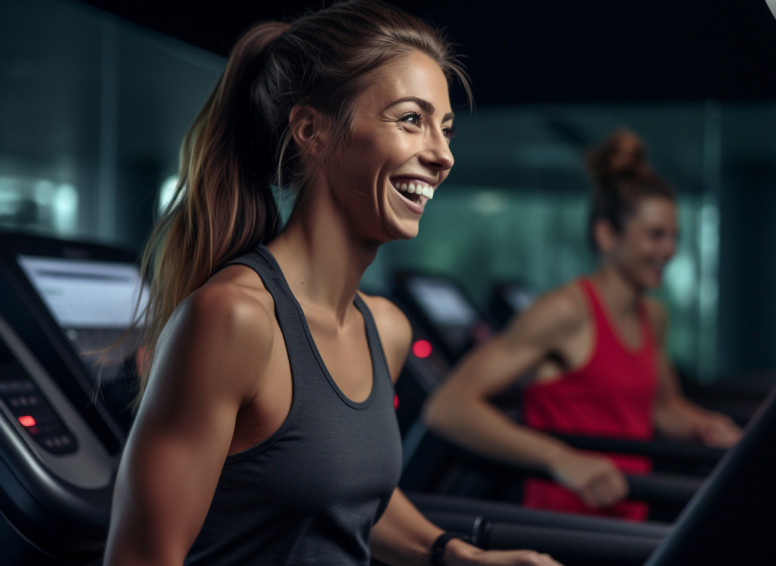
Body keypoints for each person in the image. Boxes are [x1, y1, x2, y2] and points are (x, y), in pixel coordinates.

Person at [102, 2, 562, 565]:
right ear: (312, 131)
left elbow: (349, 489)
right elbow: (141, 556)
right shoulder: (235, 319)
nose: (443, 156)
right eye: (411, 120)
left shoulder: (384, 328)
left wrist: (458, 556)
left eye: (445, 129)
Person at [424, 128, 742, 521]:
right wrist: (559, 457)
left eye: (674, 236)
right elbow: (448, 407)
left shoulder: (653, 316)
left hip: (627, 523)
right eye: (656, 235)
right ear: (607, 235)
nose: (669, 250)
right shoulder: (564, 311)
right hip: (565, 530)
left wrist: (705, 425)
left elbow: (663, 409)